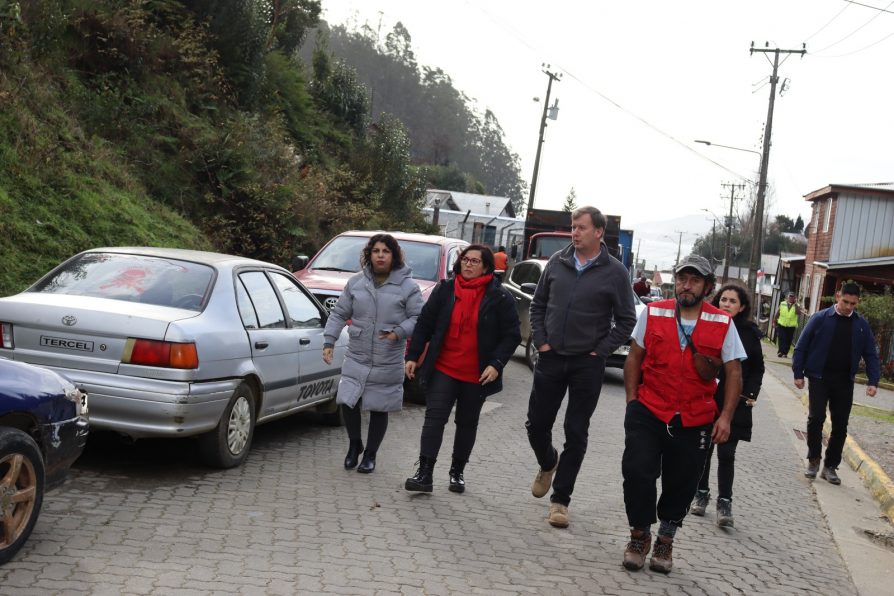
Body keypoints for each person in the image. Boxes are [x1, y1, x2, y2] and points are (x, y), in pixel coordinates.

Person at [621, 254, 745, 574]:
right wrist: (632, 401)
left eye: (694, 280)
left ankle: (665, 539)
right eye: (682, 279)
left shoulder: (722, 322)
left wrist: (726, 417)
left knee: (682, 482)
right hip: (649, 409)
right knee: (637, 471)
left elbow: (733, 373)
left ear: (707, 286)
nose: (686, 285)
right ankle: (639, 535)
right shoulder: (653, 312)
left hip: (695, 418)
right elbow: (634, 357)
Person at [526, 206, 637, 528]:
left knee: (576, 432)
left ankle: (560, 501)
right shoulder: (557, 264)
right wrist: (542, 341)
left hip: (586, 365)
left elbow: (627, 319)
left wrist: (600, 351)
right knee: (536, 425)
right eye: (573, 227)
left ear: (598, 232)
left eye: (581, 228)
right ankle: (548, 462)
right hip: (550, 358)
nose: (575, 232)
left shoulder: (615, 272)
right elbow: (539, 305)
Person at [404, 245, 521, 493]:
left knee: (467, 423)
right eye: (465, 260)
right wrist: (413, 355)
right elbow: (425, 323)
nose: (468, 264)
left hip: (476, 374)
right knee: (434, 420)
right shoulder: (445, 290)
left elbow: (511, 336)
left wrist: (496, 364)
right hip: (444, 368)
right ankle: (424, 473)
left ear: (486, 266)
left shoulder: (499, 297)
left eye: (475, 261)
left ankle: (457, 472)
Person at [322, 234, 424, 474]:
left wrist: (398, 332)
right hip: (357, 353)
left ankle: (370, 454)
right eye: (376, 251)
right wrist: (329, 341)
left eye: (385, 251)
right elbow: (339, 313)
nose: (380, 255)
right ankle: (354, 445)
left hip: (387, 356)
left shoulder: (408, 286)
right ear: (369, 254)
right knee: (348, 400)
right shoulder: (356, 282)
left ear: (394, 256)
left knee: (380, 406)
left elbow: (419, 318)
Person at [690, 283, 765, 528]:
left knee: (727, 453)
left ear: (742, 306)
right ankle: (701, 494)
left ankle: (725, 502)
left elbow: (757, 368)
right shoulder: (709, 325)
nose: (727, 305)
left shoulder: (750, 333)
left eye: (733, 301)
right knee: (704, 450)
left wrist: (750, 394)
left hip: (736, 401)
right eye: (723, 300)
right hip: (707, 397)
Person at [792, 282, 880, 484]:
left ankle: (830, 466)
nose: (849, 307)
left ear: (858, 302)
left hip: (844, 381)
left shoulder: (861, 325)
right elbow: (801, 347)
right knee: (816, 418)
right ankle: (814, 460)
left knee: (840, 425)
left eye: (853, 304)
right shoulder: (820, 319)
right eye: (845, 301)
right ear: (838, 296)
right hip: (819, 377)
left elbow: (871, 354)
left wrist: (873, 381)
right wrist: (798, 372)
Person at [774, 291, 801, 357]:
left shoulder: (797, 305)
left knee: (788, 340)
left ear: (795, 298)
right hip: (782, 324)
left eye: (792, 297)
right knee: (781, 338)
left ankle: (785, 353)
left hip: (791, 326)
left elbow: (798, 313)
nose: (791, 298)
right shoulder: (782, 303)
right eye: (790, 296)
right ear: (787, 297)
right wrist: (774, 321)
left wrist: (795, 304)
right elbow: (777, 313)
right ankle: (780, 352)